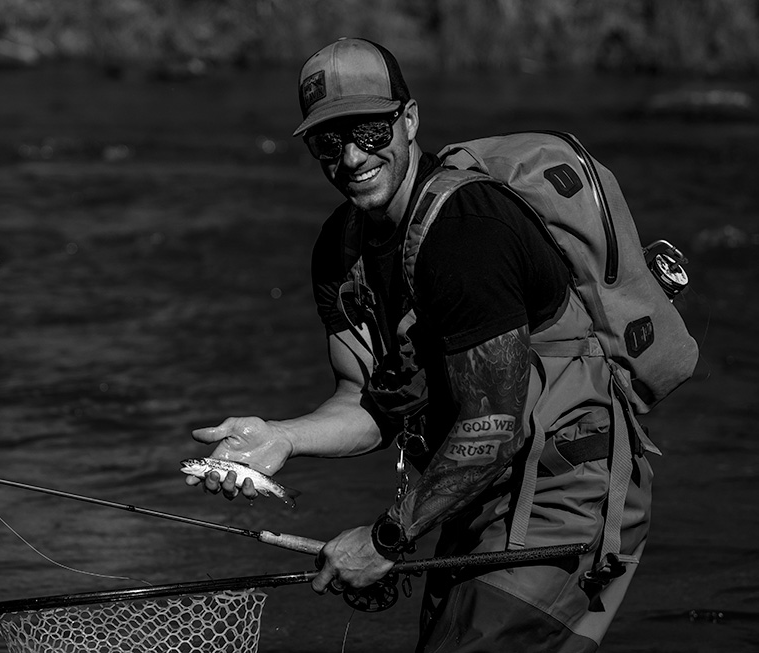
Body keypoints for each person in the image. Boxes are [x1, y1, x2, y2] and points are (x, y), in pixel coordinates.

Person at [187, 37, 653, 652]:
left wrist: (383, 542)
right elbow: (369, 402)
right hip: (474, 499)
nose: (352, 157)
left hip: (566, 493)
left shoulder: (468, 233)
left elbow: (492, 427)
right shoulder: (339, 249)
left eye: (371, 132)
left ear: (409, 121)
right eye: (330, 141)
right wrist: (283, 436)